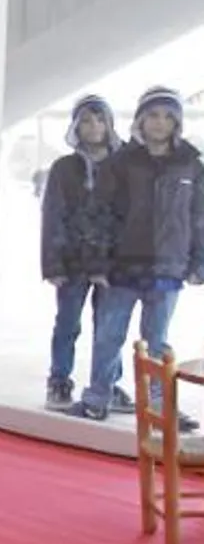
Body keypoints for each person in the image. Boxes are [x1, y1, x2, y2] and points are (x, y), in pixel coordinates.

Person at [70, 86, 203, 429]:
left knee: (158, 342)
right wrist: (97, 262)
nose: (160, 123)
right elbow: (98, 215)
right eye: (153, 116)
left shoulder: (191, 163)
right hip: (121, 268)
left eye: (167, 116)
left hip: (168, 269)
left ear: (177, 122)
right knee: (108, 335)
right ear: (141, 121)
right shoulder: (121, 163)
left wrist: (198, 261)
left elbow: (199, 217)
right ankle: (97, 397)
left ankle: (160, 407)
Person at [38, 95, 119, 411]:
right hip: (72, 263)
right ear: (76, 126)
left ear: (109, 124)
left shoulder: (122, 165)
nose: (94, 127)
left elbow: (130, 215)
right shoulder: (64, 168)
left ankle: (108, 383)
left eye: (100, 120)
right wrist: (53, 264)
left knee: (110, 328)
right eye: (86, 120)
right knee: (68, 323)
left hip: (111, 265)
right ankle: (59, 380)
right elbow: (53, 215)